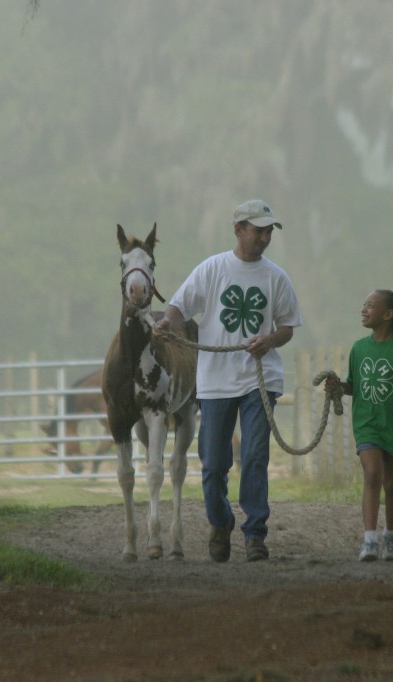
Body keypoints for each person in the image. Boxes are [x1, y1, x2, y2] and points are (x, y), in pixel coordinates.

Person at [156, 199, 303, 563]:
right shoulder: (212, 269)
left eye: (269, 231)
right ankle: (220, 525)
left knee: (254, 454)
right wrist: (165, 323)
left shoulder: (276, 277)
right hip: (215, 380)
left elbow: (287, 326)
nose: (265, 237)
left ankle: (255, 534)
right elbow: (180, 306)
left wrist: (269, 340)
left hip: (260, 378)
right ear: (239, 229)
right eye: (259, 230)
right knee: (213, 461)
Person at [327, 289, 393, 562]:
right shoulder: (359, 348)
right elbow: (356, 386)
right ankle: (370, 540)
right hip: (367, 423)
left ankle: (391, 534)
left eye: (370, 306)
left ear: (388, 315)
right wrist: (339, 387)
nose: (364, 310)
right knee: (373, 473)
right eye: (363, 305)